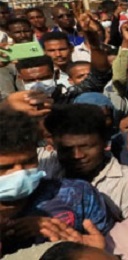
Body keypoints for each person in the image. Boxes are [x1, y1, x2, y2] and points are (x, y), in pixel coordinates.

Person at [0, 108, 113, 256]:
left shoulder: (79, 195)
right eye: (5, 167)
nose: (20, 173)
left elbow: (110, 245)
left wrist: (94, 250)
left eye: (29, 162)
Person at [44, 104, 128, 218]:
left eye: (86, 147)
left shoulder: (127, 182)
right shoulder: (44, 165)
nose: (77, 155)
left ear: (105, 143)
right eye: (67, 149)